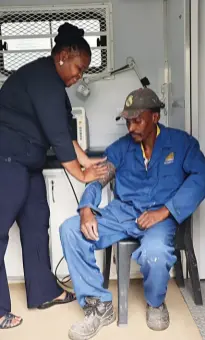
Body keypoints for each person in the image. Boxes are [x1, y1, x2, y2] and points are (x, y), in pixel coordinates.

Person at [60, 87, 205, 340]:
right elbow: (98, 178)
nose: (131, 128)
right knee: (70, 229)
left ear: (155, 118)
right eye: (128, 121)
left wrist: (166, 210)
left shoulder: (181, 144)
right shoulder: (121, 148)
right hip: (122, 214)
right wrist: (86, 208)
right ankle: (99, 305)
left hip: (159, 218)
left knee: (155, 253)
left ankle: (155, 302)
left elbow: (201, 177)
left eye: (137, 120)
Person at [0, 22, 108, 329]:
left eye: (84, 71)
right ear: (62, 55)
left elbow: (67, 130)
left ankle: (44, 292)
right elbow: (58, 137)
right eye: (78, 68)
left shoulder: (54, 85)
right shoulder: (42, 78)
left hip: (28, 164)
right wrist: (81, 174)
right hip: (6, 161)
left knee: (36, 225)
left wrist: (89, 161)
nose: (79, 77)